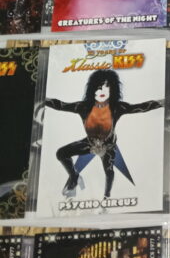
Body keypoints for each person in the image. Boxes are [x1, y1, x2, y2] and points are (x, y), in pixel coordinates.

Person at [45, 69, 162, 198]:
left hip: (108, 147)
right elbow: (61, 105)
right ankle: (74, 177)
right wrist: (42, 99)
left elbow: (140, 107)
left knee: (109, 173)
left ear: (112, 88)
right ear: (92, 89)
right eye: (98, 87)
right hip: (90, 143)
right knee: (61, 153)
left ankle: (107, 196)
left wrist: (162, 102)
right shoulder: (83, 107)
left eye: (106, 86)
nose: (102, 91)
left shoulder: (117, 107)